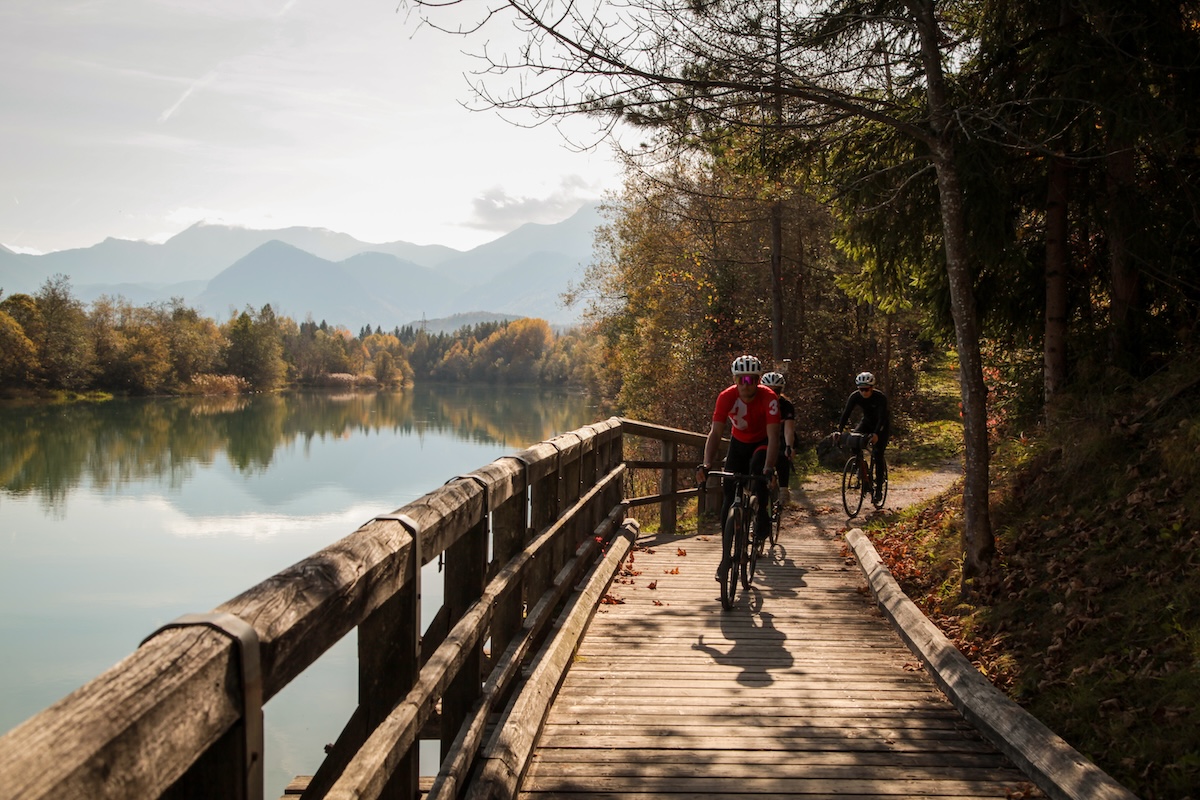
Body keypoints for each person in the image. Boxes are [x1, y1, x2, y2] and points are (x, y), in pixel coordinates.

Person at [696, 355, 781, 582]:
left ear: (758, 380)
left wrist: (769, 468)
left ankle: (761, 510)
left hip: (762, 443)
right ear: (735, 380)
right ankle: (726, 558)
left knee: (758, 469)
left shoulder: (769, 398)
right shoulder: (726, 397)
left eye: (752, 379)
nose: (746, 384)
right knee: (728, 493)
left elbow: (774, 437)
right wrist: (706, 463)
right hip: (738, 443)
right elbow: (715, 433)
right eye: (741, 379)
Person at [834, 371, 890, 506]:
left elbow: (882, 417)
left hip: (881, 426)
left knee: (877, 454)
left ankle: (879, 489)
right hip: (867, 422)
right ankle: (860, 466)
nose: (864, 392)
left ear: (872, 388)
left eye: (866, 389)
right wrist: (839, 430)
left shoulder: (880, 397)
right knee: (854, 439)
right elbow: (846, 413)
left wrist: (876, 434)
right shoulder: (855, 396)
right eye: (861, 389)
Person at [760, 371, 796, 505]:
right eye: (769, 390)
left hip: (781, 436)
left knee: (782, 455)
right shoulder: (758, 402)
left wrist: (789, 446)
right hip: (762, 436)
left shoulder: (786, 405)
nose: (773, 394)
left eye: (777, 391)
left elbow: (789, 429)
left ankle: (783, 489)